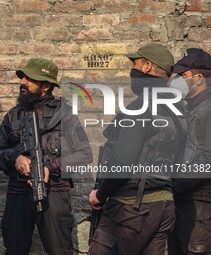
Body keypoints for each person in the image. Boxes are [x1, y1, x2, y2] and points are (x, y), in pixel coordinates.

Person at [88, 43, 187, 255]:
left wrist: (101, 193)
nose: (132, 69)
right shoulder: (178, 108)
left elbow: (124, 160)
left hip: (131, 209)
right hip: (164, 207)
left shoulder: (141, 106)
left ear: (147, 67)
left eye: (135, 63)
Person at [0, 58, 93, 255]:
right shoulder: (14, 115)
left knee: (59, 251)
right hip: (19, 193)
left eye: (29, 79)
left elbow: (84, 154)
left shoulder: (65, 115)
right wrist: (14, 158)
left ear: (45, 86)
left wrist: (49, 167)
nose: (22, 82)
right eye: (23, 77)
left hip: (53, 193)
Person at [167, 48, 211, 255]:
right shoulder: (191, 107)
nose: (177, 80)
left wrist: (175, 184)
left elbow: (207, 159)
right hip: (184, 199)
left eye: (182, 75)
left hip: (200, 202)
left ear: (199, 77)